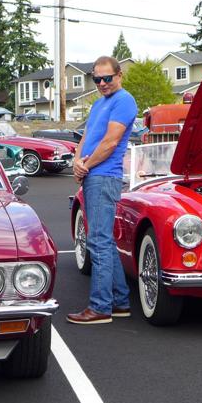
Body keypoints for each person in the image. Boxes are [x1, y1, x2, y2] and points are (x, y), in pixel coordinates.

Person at [67, 56, 137, 325]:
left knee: (98, 241)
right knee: (103, 241)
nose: (103, 83)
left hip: (103, 176)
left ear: (119, 75)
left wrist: (85, 166)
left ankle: (100, 307)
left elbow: (110, 142)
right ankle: (119, 302)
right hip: (92, 174)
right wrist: (76, 161)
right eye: (97, 79)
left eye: (108, 78)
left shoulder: (124, 100)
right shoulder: (98, 104)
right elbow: (86, 138)